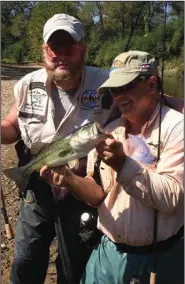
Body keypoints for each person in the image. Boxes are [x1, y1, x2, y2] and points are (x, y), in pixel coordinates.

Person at [41, 50, 184, 284]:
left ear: (151, 84)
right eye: (114, 90)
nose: (118, 96)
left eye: (125, 87)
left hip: (158, 260)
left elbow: (171, 197)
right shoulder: (112, 129)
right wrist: (69, 179)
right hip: (105, 254)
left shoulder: (177, 128)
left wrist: (122, 165)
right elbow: (98, 195)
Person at [1, 14, 119, 284]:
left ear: (83, 48)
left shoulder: (108, 82)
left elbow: (148, 97)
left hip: (83, 188)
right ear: (45, 50)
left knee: (73, 264)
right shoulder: (27, 84)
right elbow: (12, 124)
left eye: (70, 47)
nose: (61, 55)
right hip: (37, 185)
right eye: (55, 48)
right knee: (25, 259)